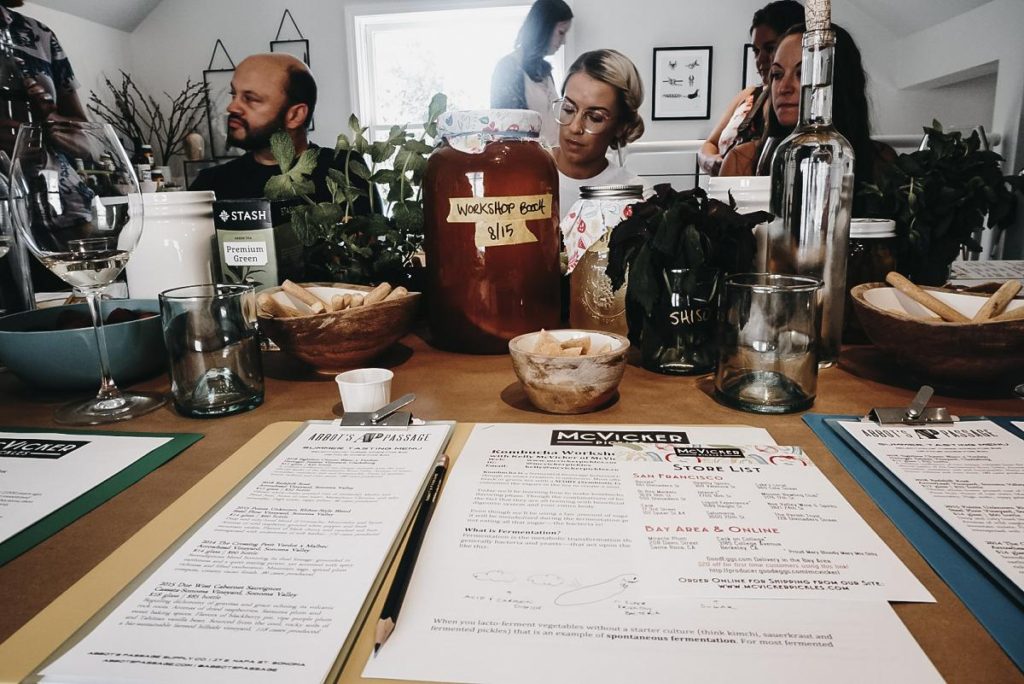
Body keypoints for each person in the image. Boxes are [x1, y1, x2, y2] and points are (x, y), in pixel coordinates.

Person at [720, 22, 897, 207]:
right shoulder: (741, 162)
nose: (784, 88)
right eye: (777, 74)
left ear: (838, 80)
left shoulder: (880, 162)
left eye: (802, 74)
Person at [190, 53, 372, 210]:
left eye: (250, 99)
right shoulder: (209, 185)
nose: (232, 107)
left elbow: (369, 246)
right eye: (233, 94)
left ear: (295, 115)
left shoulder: (345, 170)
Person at [696, 0, 804, 176]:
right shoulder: (749, 96)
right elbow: (709, 145)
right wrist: (715, 162)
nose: (760, 59)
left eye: (770, 48)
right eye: (755, 50)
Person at [551, 49, 646, 215]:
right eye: (568, 108)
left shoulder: (637, 197)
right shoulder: (525, 171)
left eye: (595, 117)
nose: (574, 127)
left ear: (621, 126)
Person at [490, 0, 572, 146]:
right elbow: (508, 134)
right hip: (529, 163)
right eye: (561, 32)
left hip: (553, 160)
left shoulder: (545, 72)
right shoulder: (508, 69)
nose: (564, 41)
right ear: (544, 28)